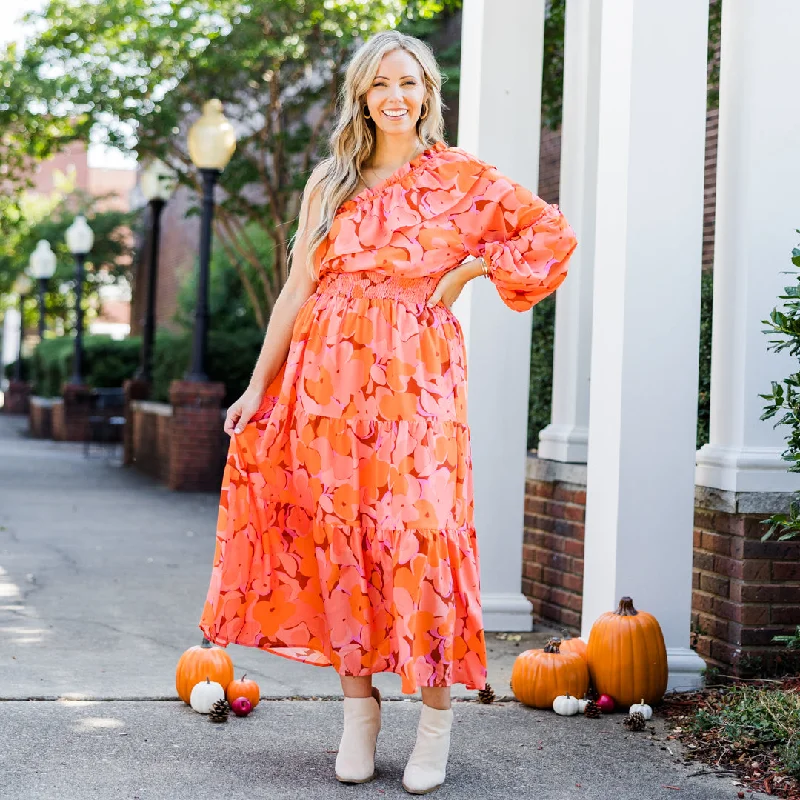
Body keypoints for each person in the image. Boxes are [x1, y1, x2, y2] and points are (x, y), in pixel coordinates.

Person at [199, 29, 576, 795]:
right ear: (362, 98)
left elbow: (549, 233)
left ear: (429, 92)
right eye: (379, 85)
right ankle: (359, 713)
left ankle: (434, 721)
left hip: (417, 384)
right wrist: (256, 386)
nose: (394, 96)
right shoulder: (329, 183)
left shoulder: (460, 179)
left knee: (421, 538)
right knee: (342, 540)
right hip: (325, 381)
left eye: (407, 82)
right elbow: (296, 293)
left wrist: (473, 267)